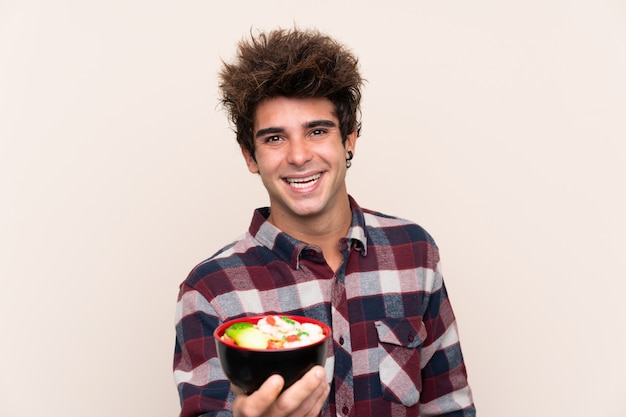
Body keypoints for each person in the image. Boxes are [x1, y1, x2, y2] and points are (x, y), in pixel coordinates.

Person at [174, 27, 475, 417]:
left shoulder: (414, 252)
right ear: (250, 156)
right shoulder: (210, 290)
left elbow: (450, 407)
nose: (299, 156)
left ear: (348, 141)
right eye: (274, 138)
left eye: (317, 131)